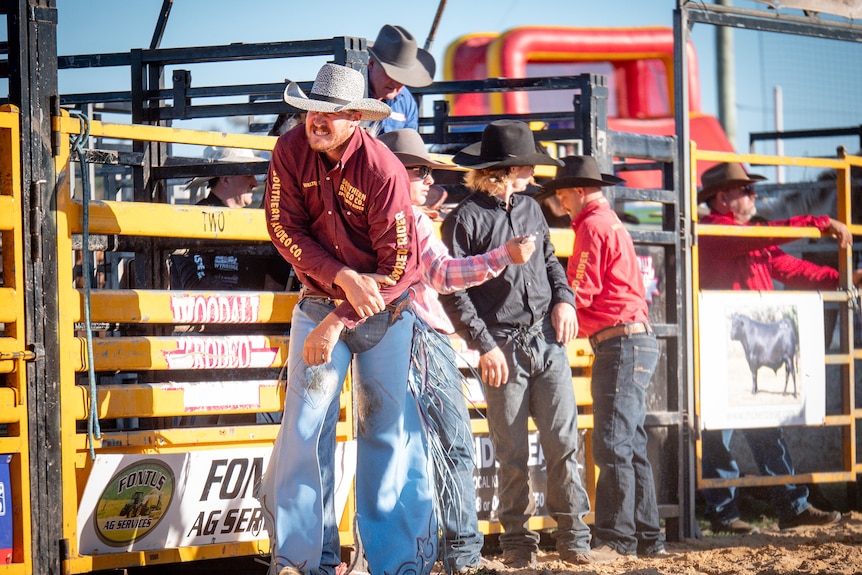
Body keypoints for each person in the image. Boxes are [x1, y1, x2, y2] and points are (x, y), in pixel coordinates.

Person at [259, 63, 436, 575]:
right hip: (322, 296)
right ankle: (297, 558)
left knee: (381, 428)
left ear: (356, 117)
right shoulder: (289, 151)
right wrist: (341, 277)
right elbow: (282, 228)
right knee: (304, 426)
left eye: (331, 113)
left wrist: (338, 316)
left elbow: (400, 268)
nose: (317, 119)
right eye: (313, 108)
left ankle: (390, 562)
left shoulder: (383, 170)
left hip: (383, 310)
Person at [378, 128, 536, 574]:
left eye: (428, 171)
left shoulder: (370, 215)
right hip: (422, 337)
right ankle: (462, 553)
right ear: (395, 173)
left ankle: (404, 553)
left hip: (379, 338)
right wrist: (501, 255)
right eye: (419, 171)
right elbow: (443, 275)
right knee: (452, 445)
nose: (429, 180)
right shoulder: (415, 220)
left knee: (394, 448)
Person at [439, 119, 594, 567]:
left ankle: (572, 536)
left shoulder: (530, 210)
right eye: (528, 167)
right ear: (506, 171)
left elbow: (550, 263)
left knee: (562, 440)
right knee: (511, 451)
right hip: (503, 343)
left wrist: (564, 300)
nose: (534, 175)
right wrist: (484, 344)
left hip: (545, 337)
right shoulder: (463, 220)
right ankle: (519, 543)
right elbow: (454, 290)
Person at [697, 161, 846, 533]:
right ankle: (736, 511)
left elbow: (789, 266)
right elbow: (776, 250)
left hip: (737, 344)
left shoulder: (742, 235)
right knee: (722, 432)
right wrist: (819, 223)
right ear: (723, 197)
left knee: (758, 427)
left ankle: (776, 507)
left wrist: (843, 278)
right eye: (746, 190)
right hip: (722, 345)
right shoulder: (715, 231)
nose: (754, 195)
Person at [548, 155, 665, 561]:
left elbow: (581, 289)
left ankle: (617, 538)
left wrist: (556, 316)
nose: (561, 204)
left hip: (618, 343)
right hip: (635, 339)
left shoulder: (592, 227)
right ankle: (647, 536)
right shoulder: (610, 223)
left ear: (579, 192)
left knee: (613, 444)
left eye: (563, 195)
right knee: (629, 444)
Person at [365, 24, 434, 135]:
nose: (396, 83)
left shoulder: (407, 102)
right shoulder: (350, 91)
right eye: (391, 74)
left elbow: (408, 146)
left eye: (402, 77)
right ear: (371, 64)